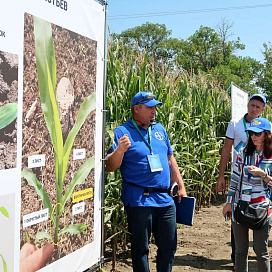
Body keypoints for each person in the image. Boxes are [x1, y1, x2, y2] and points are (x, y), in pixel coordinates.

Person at [106, 91, 187, 272]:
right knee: (140, 249)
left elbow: (170, 159)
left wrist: (180, 186)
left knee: (169, 246)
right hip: (140, 200)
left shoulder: (159, 129)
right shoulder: (122, 132)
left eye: (155, 108)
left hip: (165, 199)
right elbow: (110, 166)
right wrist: (120, 150)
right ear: (136, 109)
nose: (154, 112)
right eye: (149, 108)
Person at [216, 93, 267, 264]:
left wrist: (265, 174)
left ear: (262, 109)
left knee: (260, 241)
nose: (254, 109)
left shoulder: (267, 127)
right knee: (238, 223)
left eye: (258, 107)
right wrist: (221, 176)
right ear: (247, 105)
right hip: (239, 181)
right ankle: (236, 260)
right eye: (252, 105)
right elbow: (226, 149)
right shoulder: (235, 124)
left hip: (261, 190)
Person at [223, 117, 272, 272]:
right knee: (240, 251)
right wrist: (229, 202)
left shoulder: (270, 156)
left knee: (261, 252)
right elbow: (235, 179)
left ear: (267, 134)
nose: (254, 136)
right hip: (240, 205)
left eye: (258, 133)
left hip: (262, 209)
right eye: (251, 133)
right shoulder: (242, 153)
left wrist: (263, 175)